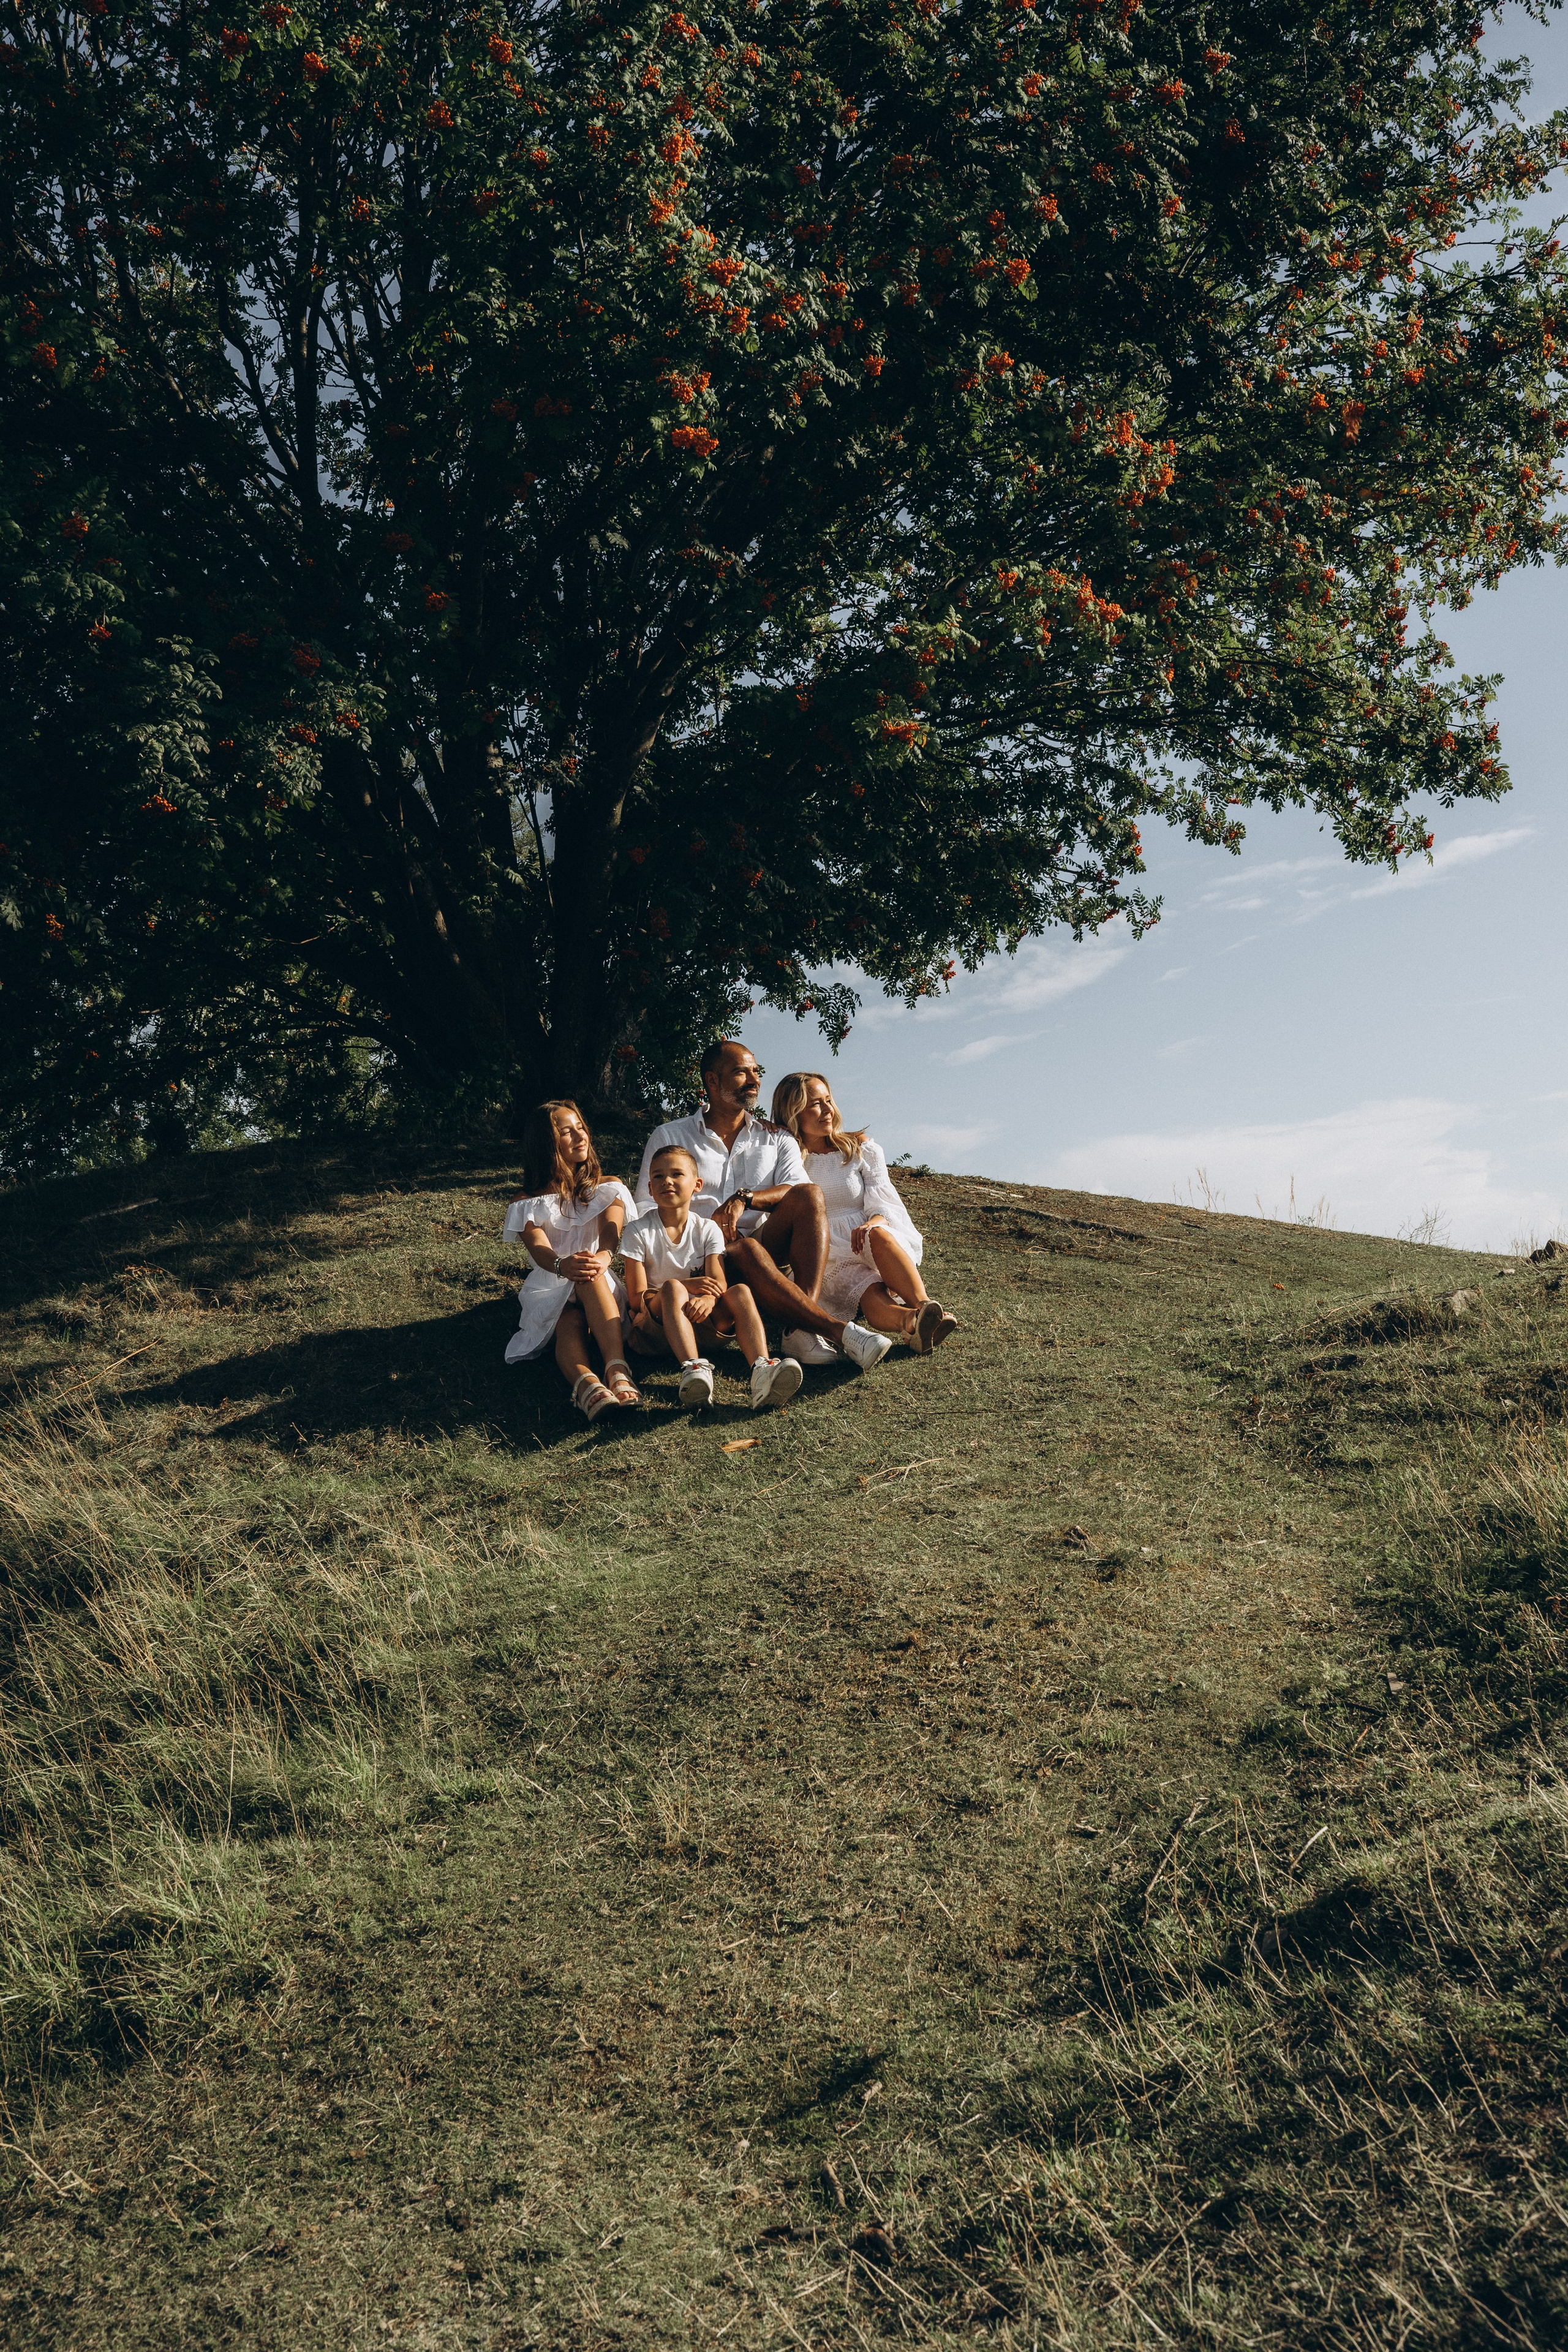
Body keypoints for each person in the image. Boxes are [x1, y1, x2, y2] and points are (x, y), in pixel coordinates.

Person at [635, 1039, 892, 1373]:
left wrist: (745, 1199)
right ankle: (830, 1329)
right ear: (712, 1082)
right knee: (745, 1249)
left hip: (763, 1251)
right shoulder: (670, 1136)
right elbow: (645, 1208)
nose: (755, 1080)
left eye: (756, 1071)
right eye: (741, 1073)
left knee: (809, 1196)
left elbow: (799, 1189)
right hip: (696, 1265)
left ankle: (798, 1330)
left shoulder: (776, 1138)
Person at [770, 1073, 959, 1351]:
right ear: (793, 1111)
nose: (828, 1110)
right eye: (816, 1104)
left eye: (829, 1101)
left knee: (878, 1235)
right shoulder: (787, 1157)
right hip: (826, 1248)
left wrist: (873, 1222)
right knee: (869, 1289)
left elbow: (884, 1203)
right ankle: (912, 1323)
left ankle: (925, 1307)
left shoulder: (857, 1146)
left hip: (868, 1235)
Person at [622, 1145, 804, 1412]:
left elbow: (718, 1282)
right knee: (673, 1287)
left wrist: (708, 1297)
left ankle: (762, 1369)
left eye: (676, 1174)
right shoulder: (638, 1230)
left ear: (697, 1184)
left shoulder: (707, 1228)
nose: (667, 1181)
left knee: (740, 1290)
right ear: (649, 1188)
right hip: (656, 1331)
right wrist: (687, 1286)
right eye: (658, 1177)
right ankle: (693, 1369)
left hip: (703, 1324)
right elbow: (637, 1298)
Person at [502, 1099, 641, 1423]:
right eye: (567, 1132)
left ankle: (616, 1367)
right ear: (546, 1144)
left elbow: (611, 1233)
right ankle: (587, 1386)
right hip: (550, 1282)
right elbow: (539, 1248)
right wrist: (561, 1265)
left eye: (581, 1128)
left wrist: (603, 1258)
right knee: (569, 1322)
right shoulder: (526, 1202)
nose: (580, 1136)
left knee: (588, 1270)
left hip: (599, 1277)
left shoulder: (608, 1188)